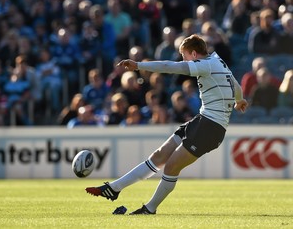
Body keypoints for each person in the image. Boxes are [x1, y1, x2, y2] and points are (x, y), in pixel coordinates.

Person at [86, 34, 248, 215]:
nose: (184, 60)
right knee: (159, 155)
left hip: (210, 127)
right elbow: (237, 86)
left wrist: (139, 66)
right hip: (202, 120)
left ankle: (150, 209)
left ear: (194, 54)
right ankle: (114, 188)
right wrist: (239, 101)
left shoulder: (205, 65)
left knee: (171, 166)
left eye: (184, 56)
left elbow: (168, 67)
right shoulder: (217, 61)